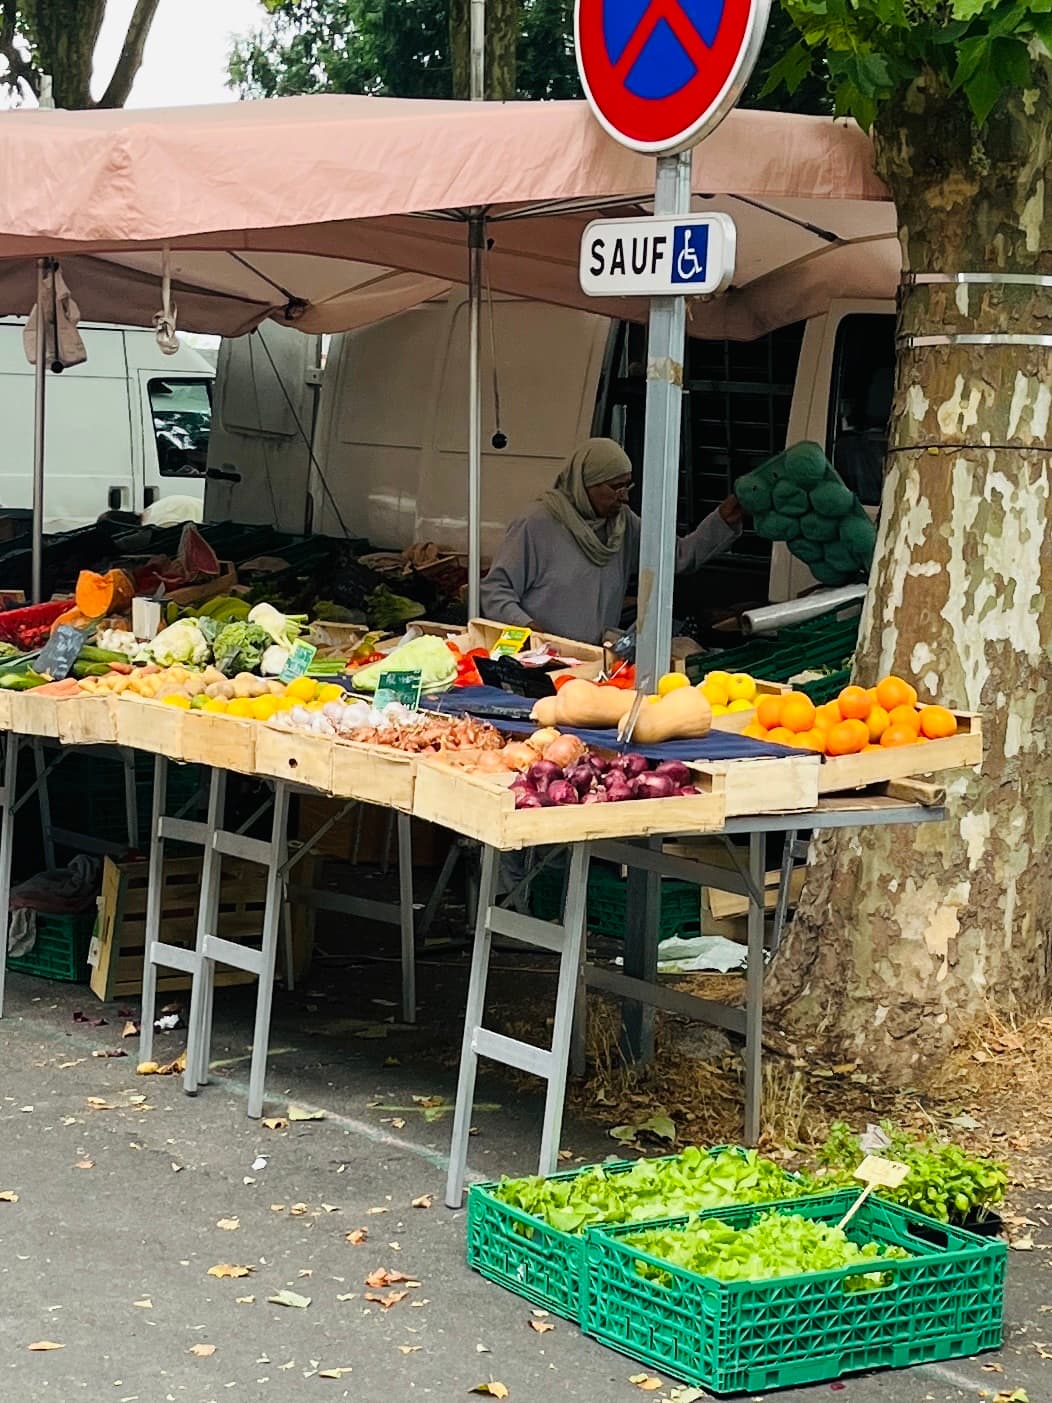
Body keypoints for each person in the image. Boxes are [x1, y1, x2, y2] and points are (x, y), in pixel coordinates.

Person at [480, 437, 743, 644]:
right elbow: (495, 590)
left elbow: (675, 557)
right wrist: (528, 629)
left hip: (596, 662)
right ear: (585, 484)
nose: (624, 497)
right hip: (542, 661)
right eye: (615, 487)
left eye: (627, 486)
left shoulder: (622, 523)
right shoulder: (536, 524)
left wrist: (722, 520)